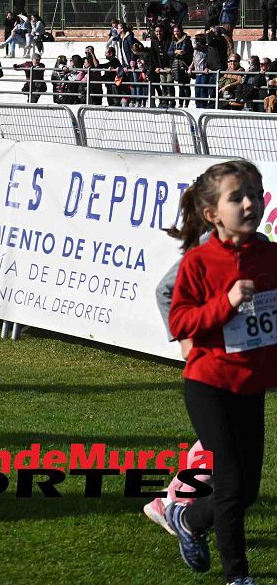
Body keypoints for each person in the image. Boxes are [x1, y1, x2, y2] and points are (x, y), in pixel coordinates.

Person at [164, 159, 277, 584]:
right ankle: (238, 577)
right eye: (238, 197)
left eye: (255, 193)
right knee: (230, 485)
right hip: (208, 384)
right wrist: (225, 303)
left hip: (250, 386)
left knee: (245, 492)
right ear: (212, 213)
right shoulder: (199, 262)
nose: (250, 203)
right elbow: (179, 323)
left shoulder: (270, 256)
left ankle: (189, 520)